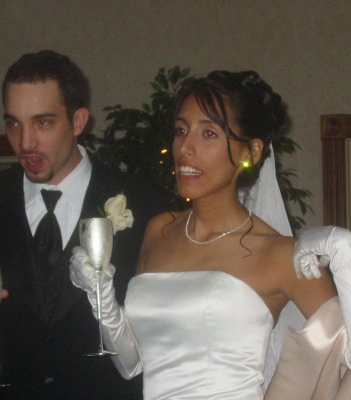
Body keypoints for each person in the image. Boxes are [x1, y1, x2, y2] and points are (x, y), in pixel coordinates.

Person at [70, 70, 351, 399]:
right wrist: (100, 296)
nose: (185, 148)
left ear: (251, 152)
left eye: (208, 133)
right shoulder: (160, 230)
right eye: (181, 130)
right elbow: (132, 364)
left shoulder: (280, 254)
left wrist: (345, 253)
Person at [0, 50, 171, 399]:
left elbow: (164, 332)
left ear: (78, 121)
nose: (25, 143)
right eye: (13, 123)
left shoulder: (146, 205)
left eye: (42, 123)